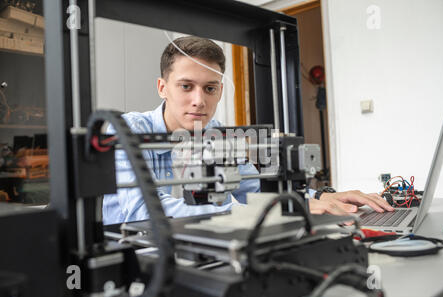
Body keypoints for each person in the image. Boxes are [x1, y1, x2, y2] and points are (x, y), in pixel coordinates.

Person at [102, 36, 393, 225]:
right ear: (162, 87)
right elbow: (141, 213)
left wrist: (316, 199)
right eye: (186, 86)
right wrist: (251, 215)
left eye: (210, 88)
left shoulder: (216, 133)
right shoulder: (129, 130)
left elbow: (253, 192)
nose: (199, 100)